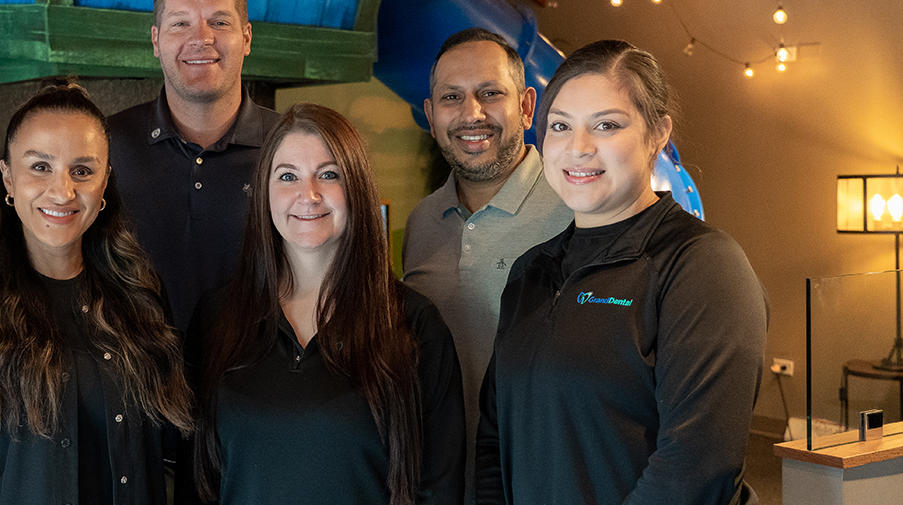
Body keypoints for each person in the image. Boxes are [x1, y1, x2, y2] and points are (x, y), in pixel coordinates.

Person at [474, 40, 768, 505]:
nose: (579, 148)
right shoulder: (532, 272)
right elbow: (494, 438)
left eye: (606, 125)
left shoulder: (702, 266)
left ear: (658, 135)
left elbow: (695, 467)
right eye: (560, 127)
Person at [0, 83, 194, 504]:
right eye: (40, 167)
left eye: (82, 171)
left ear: (105, 184)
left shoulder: (142, 300)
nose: (62, 191)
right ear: (7, 177)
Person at [191, 103, 465, 504]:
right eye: (288, 176)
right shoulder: (218, 318)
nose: (309, 195)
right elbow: (197, 485)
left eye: (329, 174)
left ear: (357, 188)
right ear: (263, 193)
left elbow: (438, 490)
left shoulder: (415, 327)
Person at [401, 27, 572, 500]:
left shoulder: (577, 212)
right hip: (439, 485)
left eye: (490, 93)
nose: (471, 114)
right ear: (431, 115)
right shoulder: (421, 223)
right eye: (452, 97)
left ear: (526, 106)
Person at [108, 0, 280, 336]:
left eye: (219, 21)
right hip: (136, 388)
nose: (201, 38)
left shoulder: (294, 149)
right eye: (180, 23)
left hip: (261, 389)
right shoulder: (104, 147)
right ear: (156, 40)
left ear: (247, 37)